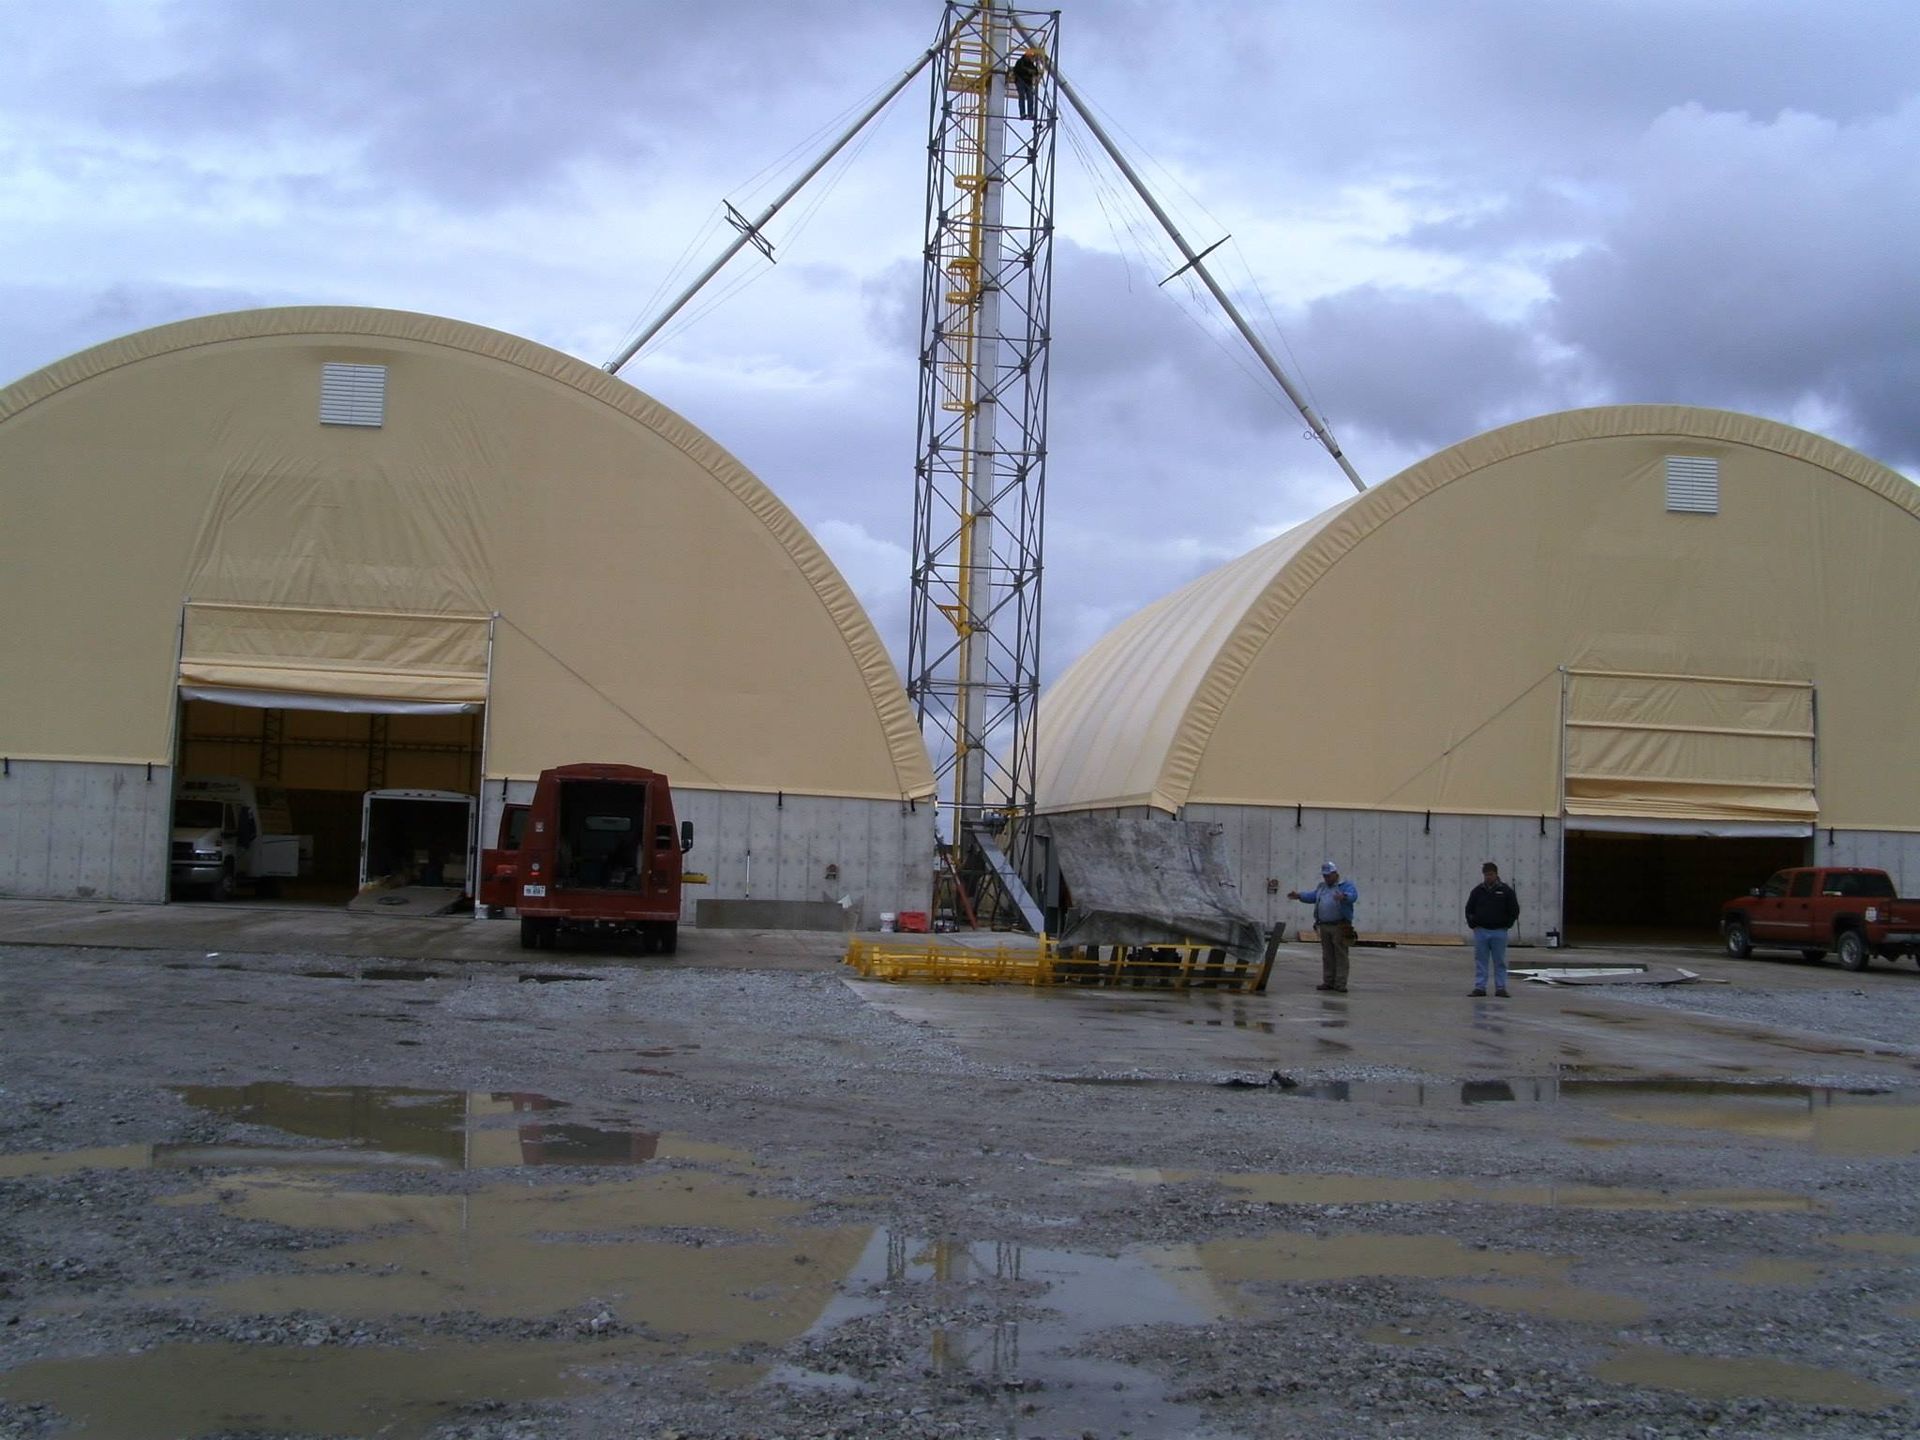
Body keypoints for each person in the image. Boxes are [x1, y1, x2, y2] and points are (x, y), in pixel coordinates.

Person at [1287, 861, 1358, 993]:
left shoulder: (1345, 886)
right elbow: (1313, 896)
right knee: (1328, 955)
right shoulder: (1322, 887)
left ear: (1335, 874)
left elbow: (1353, 896)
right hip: (1325, 925)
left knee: (1340, 955)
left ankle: (1340, 983)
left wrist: (1344, 897)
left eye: (1328, 875)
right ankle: (1328, 981)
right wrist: (1299, 896)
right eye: (1324, 876)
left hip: (1340, 925)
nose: (1326, 878)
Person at [1465, 861, 1520, 997]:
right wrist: (1473, 924)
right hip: (1481, 931)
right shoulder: (1477, 891)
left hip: (1499, 932)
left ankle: (1500, 988)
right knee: (1481, 961)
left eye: (1491, 874)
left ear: (1496, 874)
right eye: (1486, 875)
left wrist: (1507, 924)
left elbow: (1514, 910)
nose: (1488, 877)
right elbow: (1469, 909)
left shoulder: (1506, 891)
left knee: (1499, 961)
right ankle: (1480, 987)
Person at [1012, 48, 1042, 120]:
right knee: (1022, 97)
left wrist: (1029, 71)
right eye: (1030, 57)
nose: (1031, 58)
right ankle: (1022, 113)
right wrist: (1028, 71)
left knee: (1030, 98)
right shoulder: (1020, 62)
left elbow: (1036, 72)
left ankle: (1030, 114)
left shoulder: (1030, 64)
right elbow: (1018, 70)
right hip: (1021, 81)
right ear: (1026, 56)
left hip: (1028, 82)